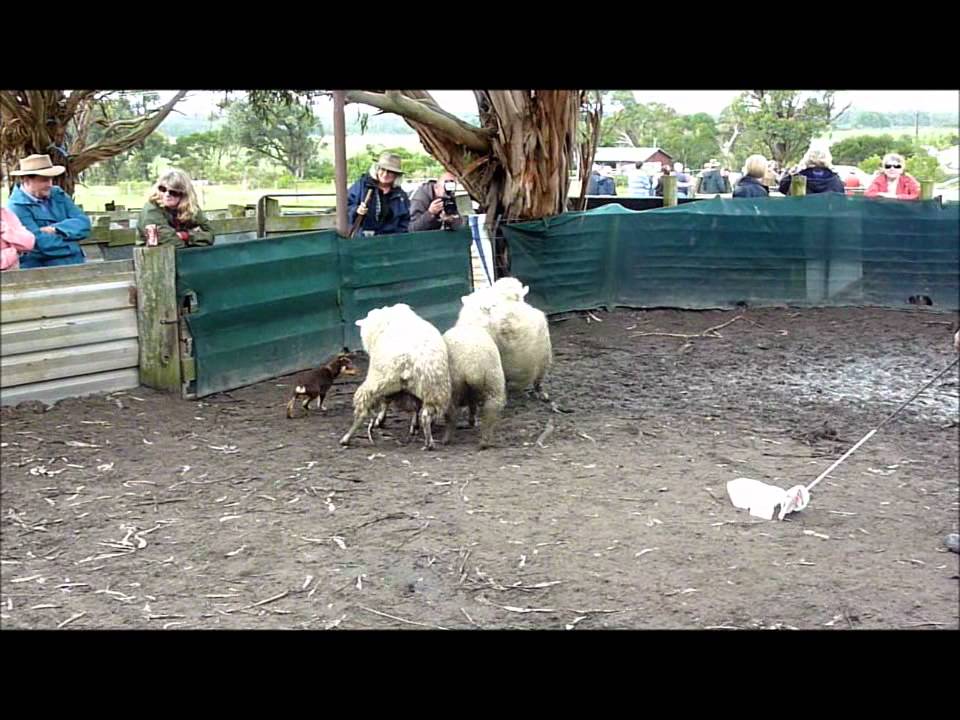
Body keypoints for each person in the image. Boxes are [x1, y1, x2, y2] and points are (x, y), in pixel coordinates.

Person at [6, 153, 88, 268]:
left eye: (51, 179)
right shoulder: (16, 207)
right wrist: (73, 243)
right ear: (26, 180)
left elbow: (84, 223)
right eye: (44, 180)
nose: (50, 184)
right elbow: (39, 243)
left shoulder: (57, 194)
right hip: (42, 272)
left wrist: (55, 229)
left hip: (76, 263)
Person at [137, 170, 214, 247]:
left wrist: (186, 235)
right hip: (154, 256)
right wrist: (194, 237)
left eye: (173, 192)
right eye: (163, 189)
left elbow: (210, 236)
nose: (167, 194)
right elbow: (168, 241)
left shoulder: (191, 208)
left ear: (184, 194)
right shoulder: (151, 209)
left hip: (187, 254)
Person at [347, 152, 411, 235]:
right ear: (377, 169)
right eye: (382, 169)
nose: (385, 174)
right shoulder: (362, 185)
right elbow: (345, 205)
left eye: (390, 171)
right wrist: (356, 210)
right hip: (362, 239)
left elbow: (405, 221)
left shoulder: (401, 196)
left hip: (390, 241)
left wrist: (397, 238)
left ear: (396, 175)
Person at [778, 147, 845, 195]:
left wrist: (790, 175)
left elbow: (782, 188)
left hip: (801, 213)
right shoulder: (835, 179)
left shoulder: (797, 177)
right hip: (826, 213)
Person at [1, 206, 36, 271]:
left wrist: (4, 229)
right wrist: (12, 253)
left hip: (12, 274)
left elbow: (28, 243)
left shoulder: (4, 213)